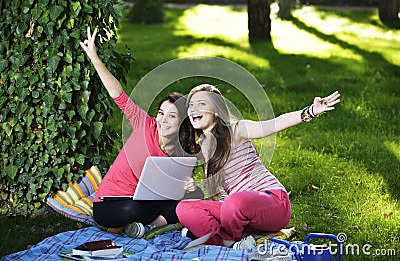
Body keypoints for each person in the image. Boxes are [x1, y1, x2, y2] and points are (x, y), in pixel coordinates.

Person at [176, 83, 341, 249]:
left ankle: (216, 233)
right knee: (184, 208)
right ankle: (230, 243)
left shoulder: (236, 130)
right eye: (191, 105)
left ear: (217, 110)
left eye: (201, 104)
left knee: (234, 203)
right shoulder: (202, 146)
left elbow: (274, 123)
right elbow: (180, 163)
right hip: (237, 213)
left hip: (272, 204)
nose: (193, 109)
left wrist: (309, 112)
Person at [80, 27, 201, 238]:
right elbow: (117, 93)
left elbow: (177, 189)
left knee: (194, 197)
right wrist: (95, 58)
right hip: (112, 203)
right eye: (161, 113)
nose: (162, 120)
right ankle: (149, 223)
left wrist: (189, 186)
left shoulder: (184, 151)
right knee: (132, 209)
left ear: (182, 123)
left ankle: (147, 226)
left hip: (149, 201)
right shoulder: (145, 124)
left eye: (171, 116)